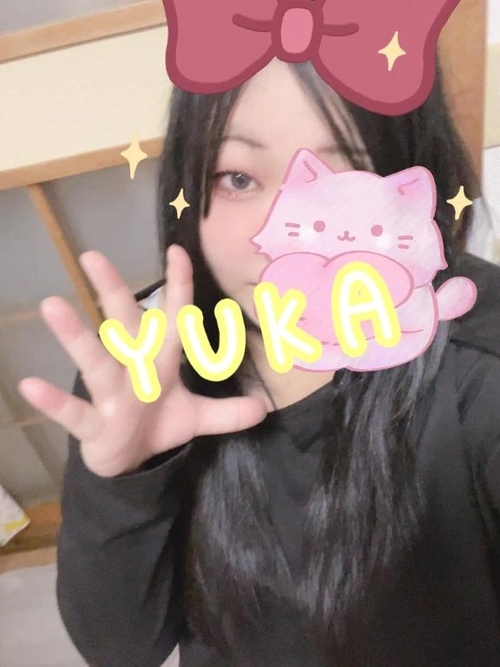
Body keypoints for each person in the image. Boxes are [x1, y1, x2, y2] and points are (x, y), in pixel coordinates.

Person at [18, 57, 500, 667]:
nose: (285, 235)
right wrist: (123, 480)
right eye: (238, 178)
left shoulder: (478, 364)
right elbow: (120, 648)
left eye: (349, 171)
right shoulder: (146, 362)